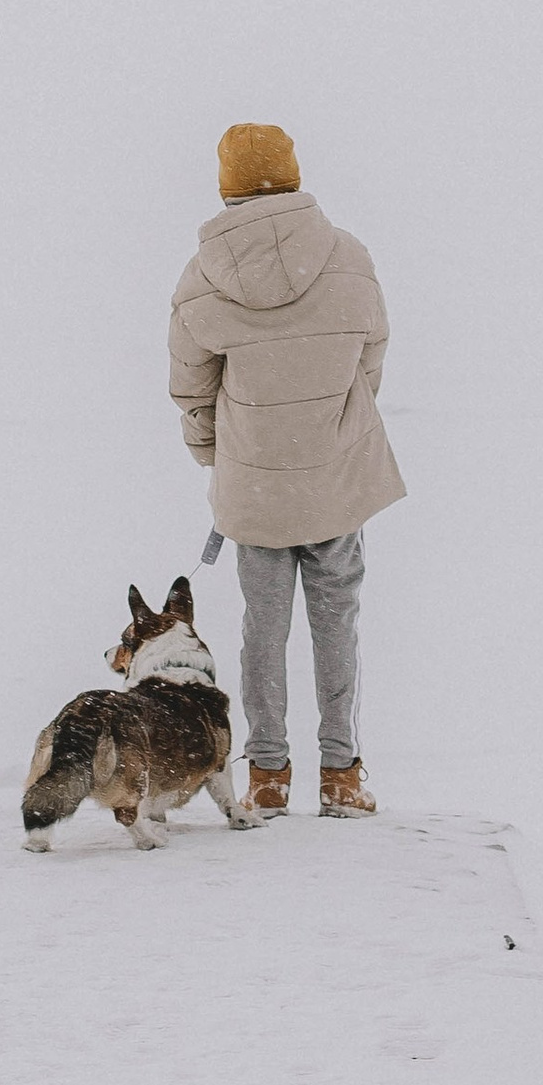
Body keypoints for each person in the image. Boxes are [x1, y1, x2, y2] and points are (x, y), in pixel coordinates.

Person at [168, 124, 403, 820]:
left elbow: (191, 390)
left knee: (261, 634)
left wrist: (223, 460)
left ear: (226, 185)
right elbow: (371, 359)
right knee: (338, 629)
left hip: (256, 490)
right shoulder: (349, 258)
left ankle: (267, 775)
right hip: (335, 484)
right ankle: (343, 776)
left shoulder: (201, 276)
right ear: (294, 175)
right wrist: (336, 433)